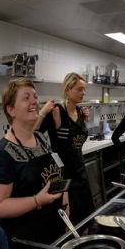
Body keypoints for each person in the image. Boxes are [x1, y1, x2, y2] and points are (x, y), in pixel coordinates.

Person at [0, 78, 65, 249]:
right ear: (11, 110)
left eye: (35, 97)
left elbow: (56, 172)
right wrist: (36, 200)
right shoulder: (2, 154)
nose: (34, 102)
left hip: (54, 231)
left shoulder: (41, 139)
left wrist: (65, 201)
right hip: (28, 242)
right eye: (26, 97)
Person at [36, 72, 94, 224]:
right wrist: (42, 112)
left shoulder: (80, 111)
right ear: (68, 89)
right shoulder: (57, 111)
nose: (83, 93)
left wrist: (85, 119)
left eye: (84, 89)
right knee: (69, 221)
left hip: (80, 170)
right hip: (63, 174)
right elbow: (34, 131)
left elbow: (76, 138)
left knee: (87, 218)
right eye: (79, 89)